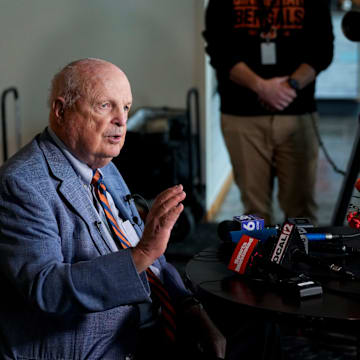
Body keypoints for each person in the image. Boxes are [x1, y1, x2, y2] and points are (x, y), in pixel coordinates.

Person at [0, 58, 226, 360]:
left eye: (126, 107)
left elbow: (148, 255)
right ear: (61, 109)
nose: (122, 120)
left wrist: (189, 306)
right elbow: (47, 288)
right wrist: (141, 255)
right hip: (94, 346)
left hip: (151, 319)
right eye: (105, 106)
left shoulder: (104, 166)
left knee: (256, 329)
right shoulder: (21, 183)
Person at [203, 0, 334, 225]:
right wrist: (262, 87)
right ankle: (259, 259)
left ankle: (299, 259)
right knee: (255, 212)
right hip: (241, 116)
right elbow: (219, 49)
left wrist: (290, 86)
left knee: (301, 210)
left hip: (297, 114)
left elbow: (322, 49)